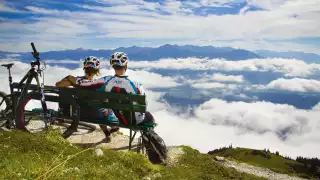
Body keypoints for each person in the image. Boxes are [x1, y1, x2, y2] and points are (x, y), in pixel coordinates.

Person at [55, 56, 119, 138]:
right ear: (97, 71)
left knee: (99, 105)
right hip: (96, 115)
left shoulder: (77, 82)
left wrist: (69, 78)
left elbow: (58, 84)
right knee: (104, 104)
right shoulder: (100, 84)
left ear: (84, 68)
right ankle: (108, 131)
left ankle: (107, 132)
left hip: (79, 113)